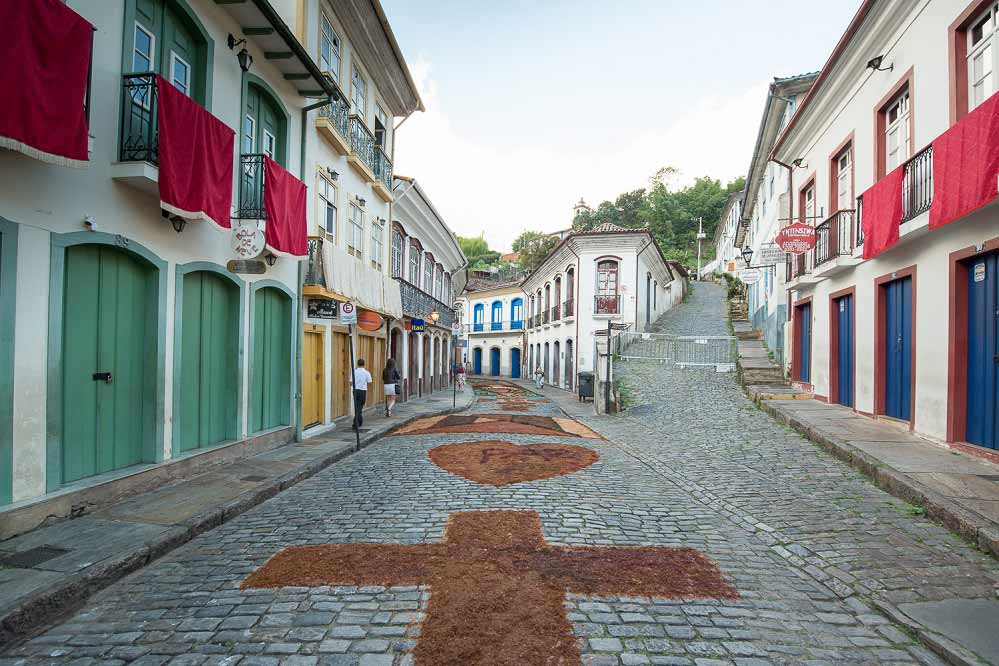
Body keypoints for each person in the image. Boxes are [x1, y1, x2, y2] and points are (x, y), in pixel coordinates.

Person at [352, 359, 372, 430]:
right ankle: (356, 423)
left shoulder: (354, 372)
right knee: (360, 407)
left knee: (357, 406)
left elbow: (351, 382)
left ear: (357, 364)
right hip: (362, 391)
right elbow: (369, 382)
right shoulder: (367, 373)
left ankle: (359, 421)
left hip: (355, 390)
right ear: (364, 364)